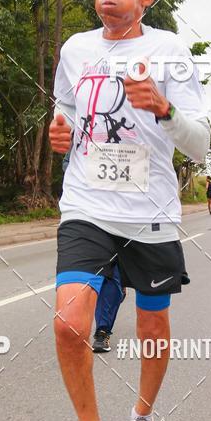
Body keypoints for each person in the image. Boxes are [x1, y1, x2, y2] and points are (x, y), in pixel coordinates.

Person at [47, 0, 210, 421]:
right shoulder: (75, 49)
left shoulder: (169, 50)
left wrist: (164, 109)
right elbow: (65, 108)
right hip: (87, 206)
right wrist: (59, 130)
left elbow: (202, 144)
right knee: (70, 323)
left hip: (151, 212)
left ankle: (141, 418)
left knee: (152, 327)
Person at [63, 148, 126, 354]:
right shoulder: (83, 126)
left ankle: (103, 329)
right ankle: (101, 328)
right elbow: (68, 164)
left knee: (114, 279)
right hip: (87, 215)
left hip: (124, 214)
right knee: (96, 277)